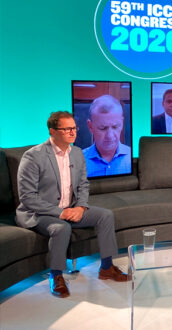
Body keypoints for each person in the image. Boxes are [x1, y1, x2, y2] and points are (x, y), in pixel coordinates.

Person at [15, 111, 129, 298]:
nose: (72, 132)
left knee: (105, 215)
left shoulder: (76, 153)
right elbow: (27, 197)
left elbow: (83, 184)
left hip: (71, 208)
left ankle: (107, 267)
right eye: (66, 129)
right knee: (61, 228)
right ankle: (56, 275)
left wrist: (81, 207)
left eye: (74, 128)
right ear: (52, 131)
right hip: (39, 213)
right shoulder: (33, 156)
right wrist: (60, 213)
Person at [83, 95, 132, 177]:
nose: (110, 136)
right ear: (90, 126)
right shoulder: (78, 160)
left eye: (115, 127)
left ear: (122, 123)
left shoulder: (132, 157)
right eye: (103, 128)